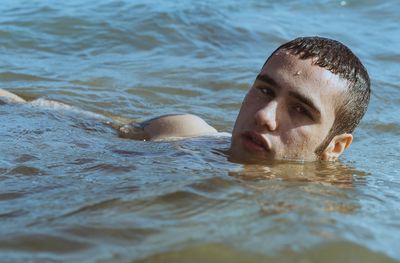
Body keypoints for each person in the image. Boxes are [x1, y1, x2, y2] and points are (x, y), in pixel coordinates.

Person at [0, 36, 370, 162]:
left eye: (301, 110)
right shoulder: (183, 130)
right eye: (265, 90)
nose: (266, 117)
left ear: (335, 147)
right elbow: (60, 117)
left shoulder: (316, 215)